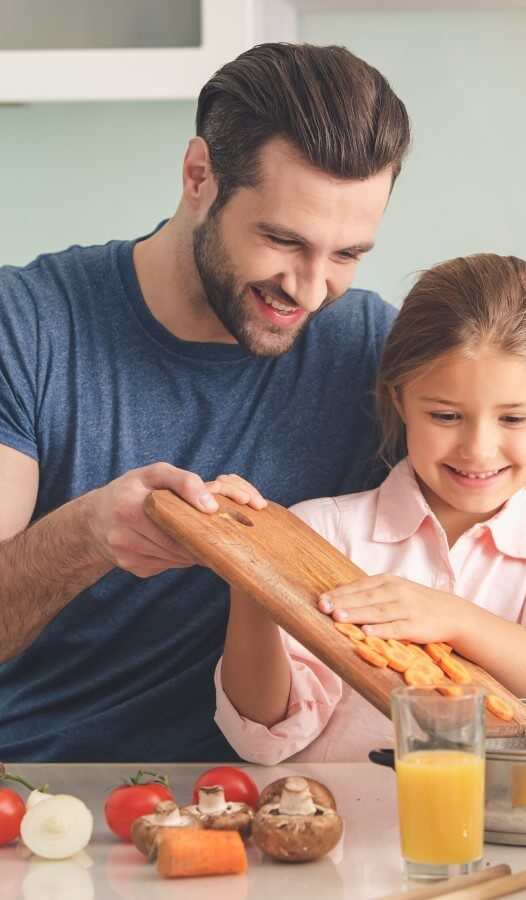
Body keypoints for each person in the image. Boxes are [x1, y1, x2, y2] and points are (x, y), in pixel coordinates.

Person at [0, 43, 411, 761]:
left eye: (347, 255)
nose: (312, 290)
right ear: (199, 176)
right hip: (49, 793)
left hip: (293, 805)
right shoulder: (30, 324)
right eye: (284, 240)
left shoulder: (373, 348)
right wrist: (88, 535)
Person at [215, 253, 526, 764]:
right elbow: (263, 733)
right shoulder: (320, 534)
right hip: (340, 835)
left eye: (512, 418)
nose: (479, 449)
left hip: (495, 841)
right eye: (445, 415)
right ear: (399, 399)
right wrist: (252, 582)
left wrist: (454, 619)